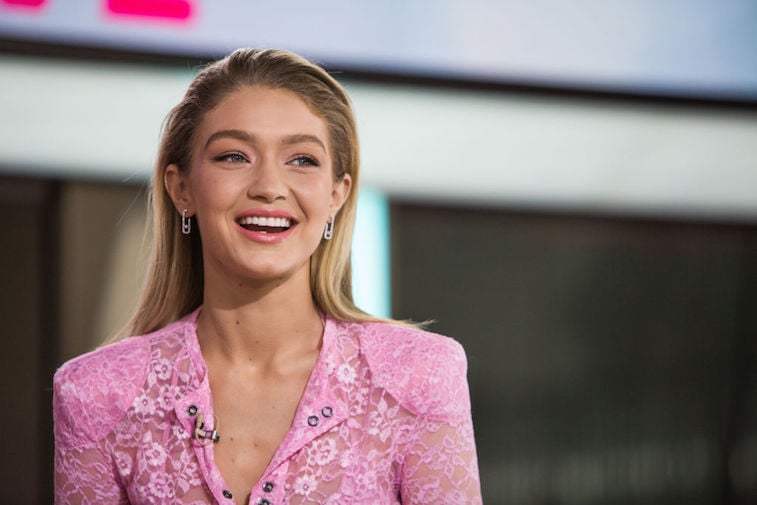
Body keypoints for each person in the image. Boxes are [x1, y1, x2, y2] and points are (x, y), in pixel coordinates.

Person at [53, 48, 482, 505]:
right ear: (181, 189)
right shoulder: (95, 394)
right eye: (234, 156)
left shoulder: (419, 376)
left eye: (302, 160)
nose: (269, 187)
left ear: (336, 195)